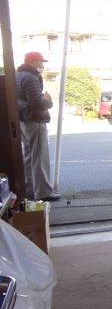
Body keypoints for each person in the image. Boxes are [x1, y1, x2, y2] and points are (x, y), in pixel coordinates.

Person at [15, 52, 59, 202]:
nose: (42, 65)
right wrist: (49, 101)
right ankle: (43, 192)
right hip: (34, 120)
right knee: (40, 156)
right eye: (41, 62)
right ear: (33, 62)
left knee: (28, 156)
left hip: (23, 120)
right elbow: (37, 103)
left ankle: (30, 190)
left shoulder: (18, 75)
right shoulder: (30, 77)